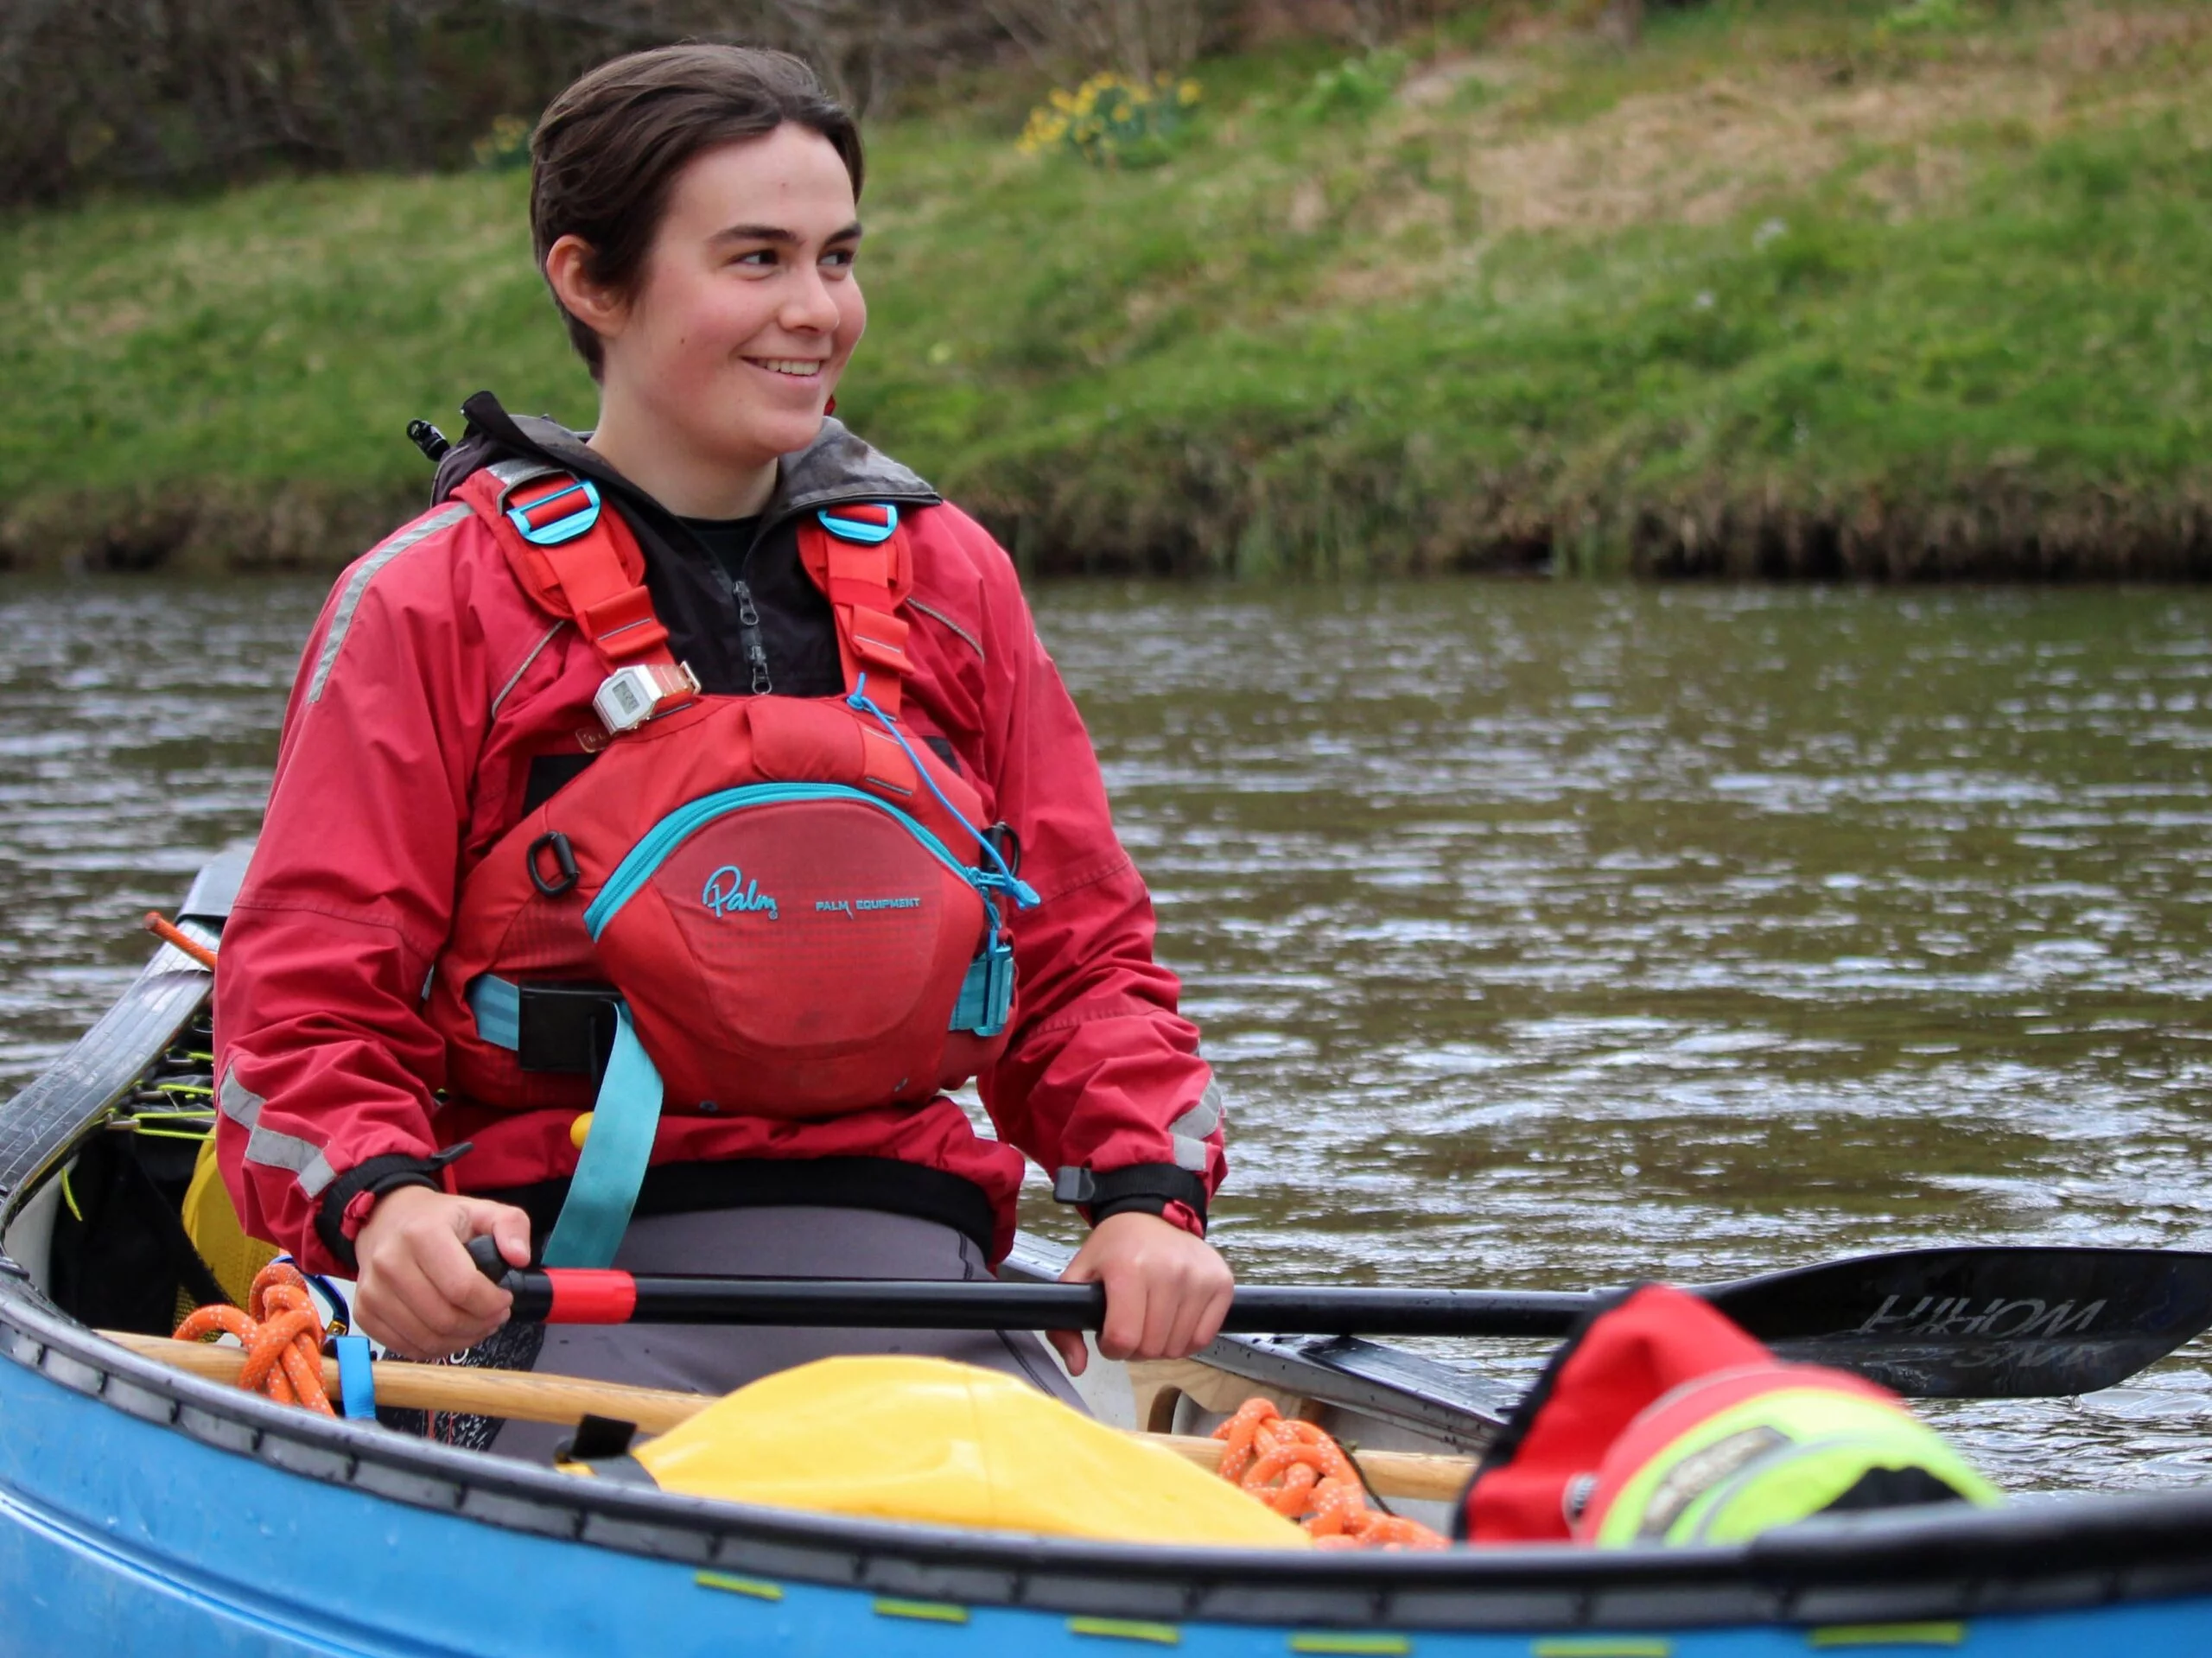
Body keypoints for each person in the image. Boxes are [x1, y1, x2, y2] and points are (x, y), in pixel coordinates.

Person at [213, 43, 1231, 1452]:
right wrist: (386, 1204)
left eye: (838, 258)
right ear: (591, 281)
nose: (817, 311)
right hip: (553, 1297)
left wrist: (1140, 1202)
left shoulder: (950, 574)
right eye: (756, 260)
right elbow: (307, 1006)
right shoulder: (428, 600)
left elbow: (1083, 959)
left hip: (919, 1290)